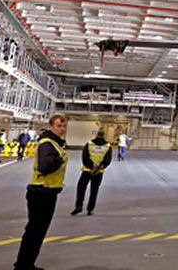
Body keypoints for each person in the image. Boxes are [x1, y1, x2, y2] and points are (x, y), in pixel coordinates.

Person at [14, 113, 68, 270]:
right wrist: (59, 159)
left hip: (47, 192)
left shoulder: (54, 143)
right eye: (58, 126)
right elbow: (45, 165)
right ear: (51, 126)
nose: (62, 129)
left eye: (64, 126)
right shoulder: (47, 143)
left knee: (37, 232)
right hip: (42, 192)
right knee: (35, 232)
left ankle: (26, 264)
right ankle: (23, 266)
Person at [72, 130, 112, 216]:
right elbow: (108, 160)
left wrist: (91, 166)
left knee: (81, 188)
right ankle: (90, 209)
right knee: (94, 190)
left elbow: (85, 157)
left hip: (87, 170)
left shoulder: (89, 144)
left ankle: (79, 206)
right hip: (99, 172)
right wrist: (99, 167)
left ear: (97, 135)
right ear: (104, 135)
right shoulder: (108, 146)